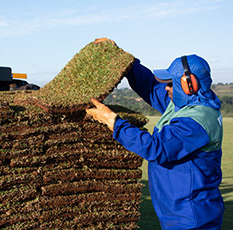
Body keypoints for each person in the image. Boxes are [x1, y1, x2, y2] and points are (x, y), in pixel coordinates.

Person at [87, 50, 224, 229]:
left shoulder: (197, 121)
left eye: (170, 84)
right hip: (178, 212)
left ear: (188, 85)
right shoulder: (184, 104)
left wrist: (113, 122)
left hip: (192, 216)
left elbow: (156, 148)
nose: (166, 88)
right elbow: (151, 87)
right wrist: (126, 61)